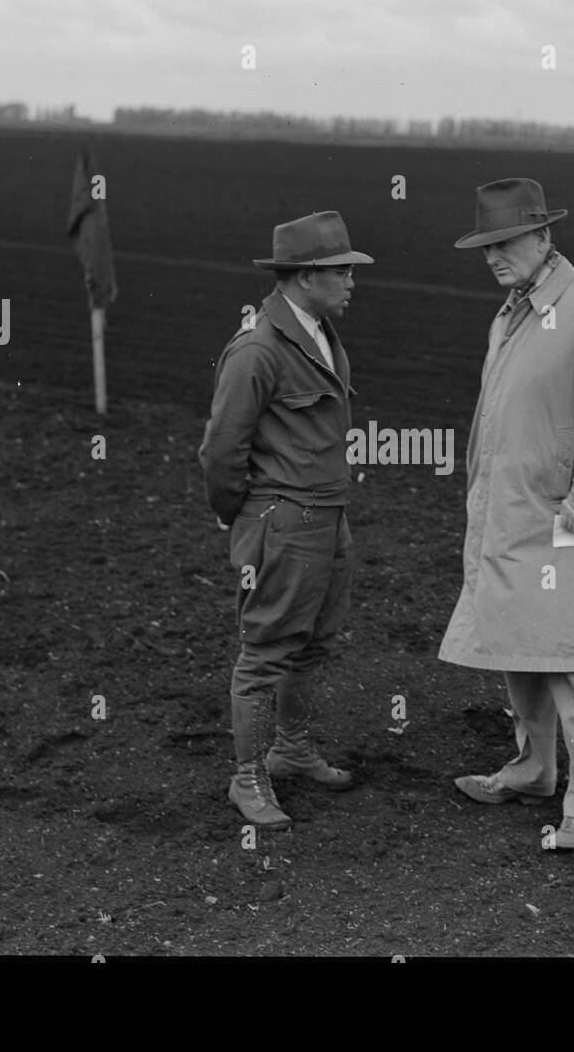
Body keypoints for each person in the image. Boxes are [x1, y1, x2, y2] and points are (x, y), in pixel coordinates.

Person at [440, 178, 574, 851]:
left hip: (565, 516)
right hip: (515, 509)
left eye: (505, 242)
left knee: (569, 650)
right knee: (518, 637)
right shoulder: (512, 312)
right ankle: (534, 768)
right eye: (486, 245)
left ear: (544, 236)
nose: (494, 255)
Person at [198, 211, 373, 829]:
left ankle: (292, 750)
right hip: (284, 521)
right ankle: (247, 778)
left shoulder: (320, 332)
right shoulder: (257, 350)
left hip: (328, 516)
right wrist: (240, 518)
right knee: (267, 648)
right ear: (301, 278)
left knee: (314, 641)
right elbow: (221, 451)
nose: (352, 281)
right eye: (340, 271)